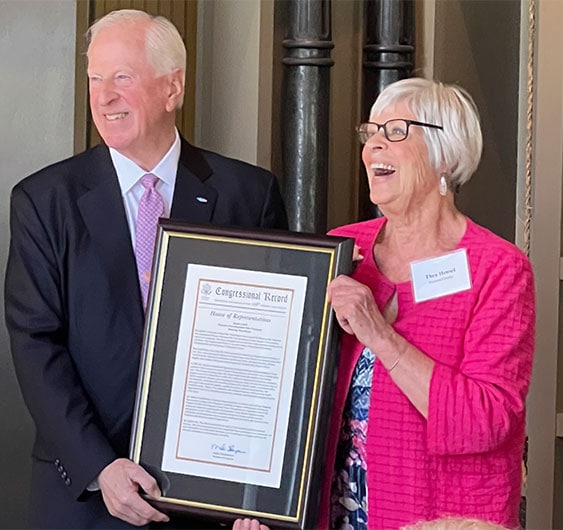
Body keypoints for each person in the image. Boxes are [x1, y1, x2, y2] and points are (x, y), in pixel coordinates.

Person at [4, 9, 287, 530]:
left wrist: (260, 485)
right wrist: (100, 467)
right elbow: (34, 343)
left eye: (122, 77)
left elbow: (273, 351)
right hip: (84, 496)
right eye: (95, 78)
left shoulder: (250, 194)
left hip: (212, 504)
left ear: (172, 87)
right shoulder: (44, 200)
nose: (103, 96)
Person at [321, 78, 535, 529]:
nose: (373, 146)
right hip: (333, 514)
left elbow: (487, 419)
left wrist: (378, 333)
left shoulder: (497, 268)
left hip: (442, 517)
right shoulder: (340, 250)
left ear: (446, 154)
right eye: (370, 132)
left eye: (395, 131)